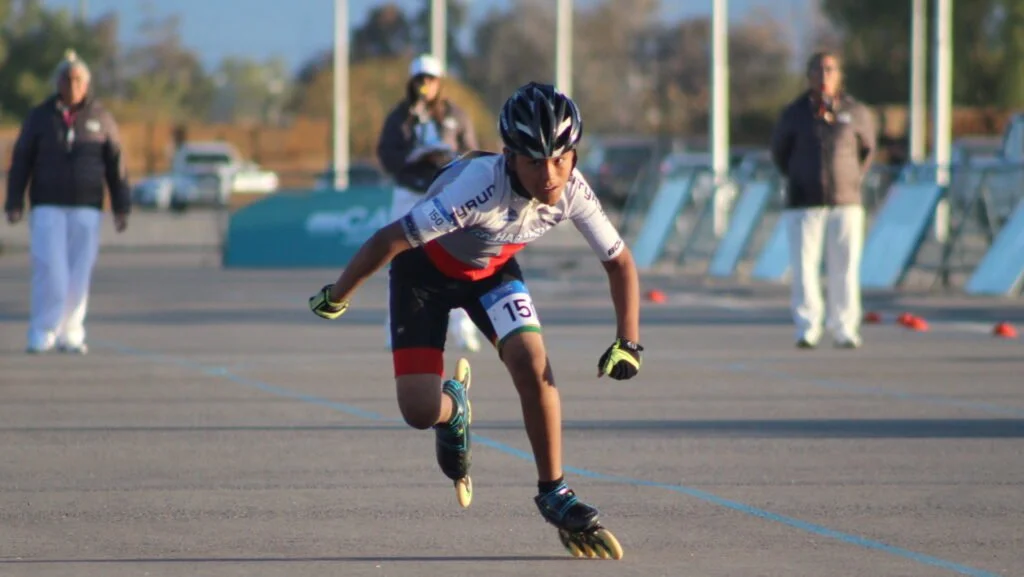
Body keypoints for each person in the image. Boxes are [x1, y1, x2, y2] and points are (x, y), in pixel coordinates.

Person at [310, 82, 642, 558]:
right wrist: (337, 295)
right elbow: (389, 240)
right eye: (534, 161)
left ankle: (554, 490)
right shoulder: (478, 189)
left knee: (533, 363)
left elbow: (620, 263)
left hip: (491, 274)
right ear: (510, 158)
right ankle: (454, 408)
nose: (550, 175)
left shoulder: (574, 190)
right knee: (418, 412)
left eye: (561, 158)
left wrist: (628, 341)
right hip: (424, 274)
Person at [4, 49, 131, 355]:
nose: (72, 85)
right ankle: (42, 329)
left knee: (79, 271)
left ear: (86, 84)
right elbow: (22, 159)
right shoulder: (40, 117)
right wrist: (13, 200)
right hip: (48, 203)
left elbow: (116, 164)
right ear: (57, 82)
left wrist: (121, 205)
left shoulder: (101, 118)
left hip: (87, 205)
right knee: (51, 269)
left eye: (78, 80)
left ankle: (71, 331)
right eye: (67, 79)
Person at [770, 50, 876, 349]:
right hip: (804, 202)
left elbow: (866, 151)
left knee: (845, 267)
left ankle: (845, 327)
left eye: (830, 70)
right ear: (809, 76)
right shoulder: (794, 113)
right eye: (818, 70)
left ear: (839, 75)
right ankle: (807, 326)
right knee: (804, 267)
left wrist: (850, 179)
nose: (824, 76)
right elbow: (780, 153)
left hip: (845, 201)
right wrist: (801, 176)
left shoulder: (856, 112)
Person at [377, 53, 481, 352]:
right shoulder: (400, 117)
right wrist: (414, 156)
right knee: (397, 257)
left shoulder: (454, 114)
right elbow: (387, 155)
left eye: (431, 79)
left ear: (439, 82)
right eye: (420, 79)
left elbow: (472, 152)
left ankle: (463, 329)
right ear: (412, 82)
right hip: (410, 191)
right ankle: (395, 328)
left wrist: (448, 156)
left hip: (446, 193)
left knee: (458, 257)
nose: (425, 85)